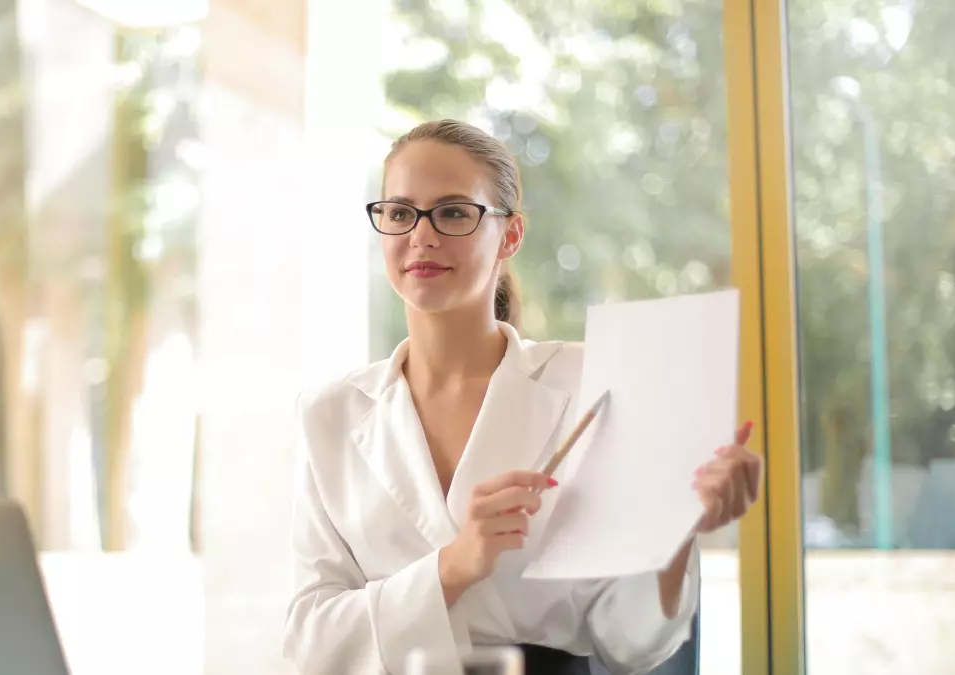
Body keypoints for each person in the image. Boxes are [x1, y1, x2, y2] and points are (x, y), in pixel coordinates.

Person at [281, 119, 763, 675]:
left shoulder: (594, 385)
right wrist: (454, 566)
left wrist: (677, 527)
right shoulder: (330, 413)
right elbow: (311, 642)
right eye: (399, 212)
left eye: (455, 212)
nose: (421, 234)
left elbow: (633, 644)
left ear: (510, 235)